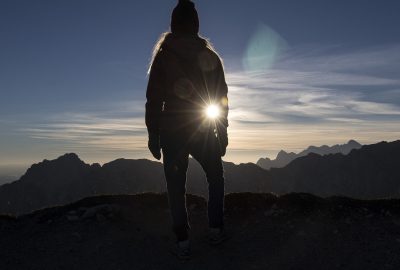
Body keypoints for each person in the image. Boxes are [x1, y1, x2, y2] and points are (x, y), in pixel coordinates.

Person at [145, 0, 229, 259]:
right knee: (215, 177)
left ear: (173, 24)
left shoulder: (163, 56)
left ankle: (182, 241)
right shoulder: (210, 56)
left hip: (171, 130)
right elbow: (220, 97)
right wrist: (222, 130)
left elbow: (154, 99)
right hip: (202, 127)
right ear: (196, 24)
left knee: (175, 186)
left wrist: (153, 134)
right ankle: (215, 229)